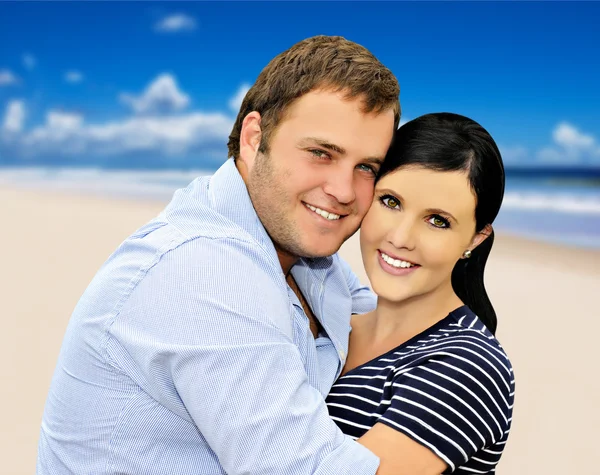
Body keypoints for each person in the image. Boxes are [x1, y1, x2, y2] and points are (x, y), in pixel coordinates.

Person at [37, 36, 399, 474]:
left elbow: (402, 330)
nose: (343, 191)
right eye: (321, 153)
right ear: (253, 137)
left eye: (367, 168)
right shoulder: (205, 268)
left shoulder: (304, 259)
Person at [326, 113, 514, 474]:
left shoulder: (468, 365)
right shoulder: (331, 325)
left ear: (475, 239)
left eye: (437, 221)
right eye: (391, 202)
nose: (400, 238)